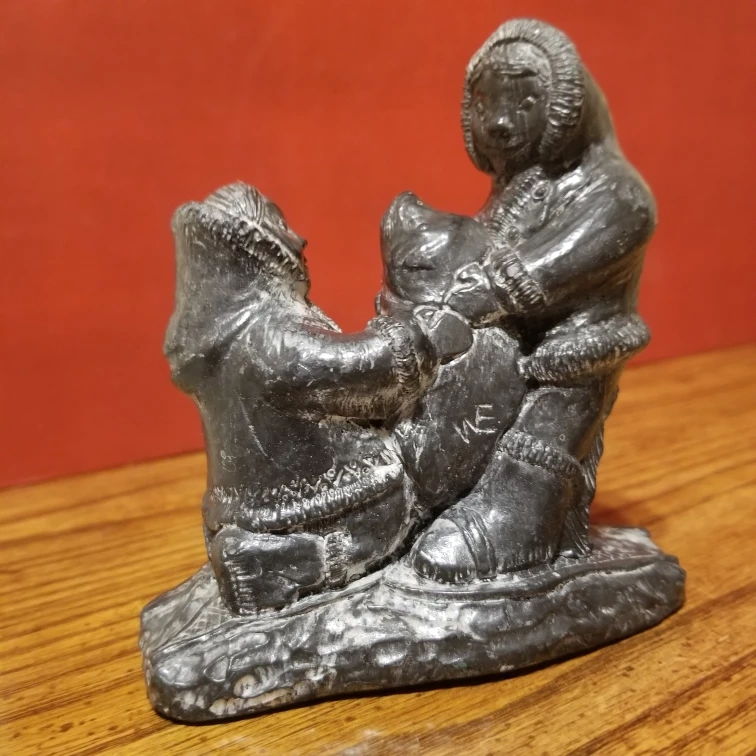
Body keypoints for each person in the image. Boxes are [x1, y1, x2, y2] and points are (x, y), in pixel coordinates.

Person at [408, 19, 657, 582]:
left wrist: (488, 289)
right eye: (485, 104)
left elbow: (543, 268)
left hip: (570, 355)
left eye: (523, 103)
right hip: (499, 352)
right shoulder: (521, 186)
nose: (500, 121)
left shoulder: (616, 195)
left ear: (565, 110)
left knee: (544, 437)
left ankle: (524, 518)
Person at [165, 182, 439, 612]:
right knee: (415, 499)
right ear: (255, 250)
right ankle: (284, 562)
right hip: (323, 510)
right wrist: (409, 332)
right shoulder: (268, 336)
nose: (299, 239)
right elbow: (371, 369)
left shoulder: (214, 343)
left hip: (237, 510)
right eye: (280, 227)